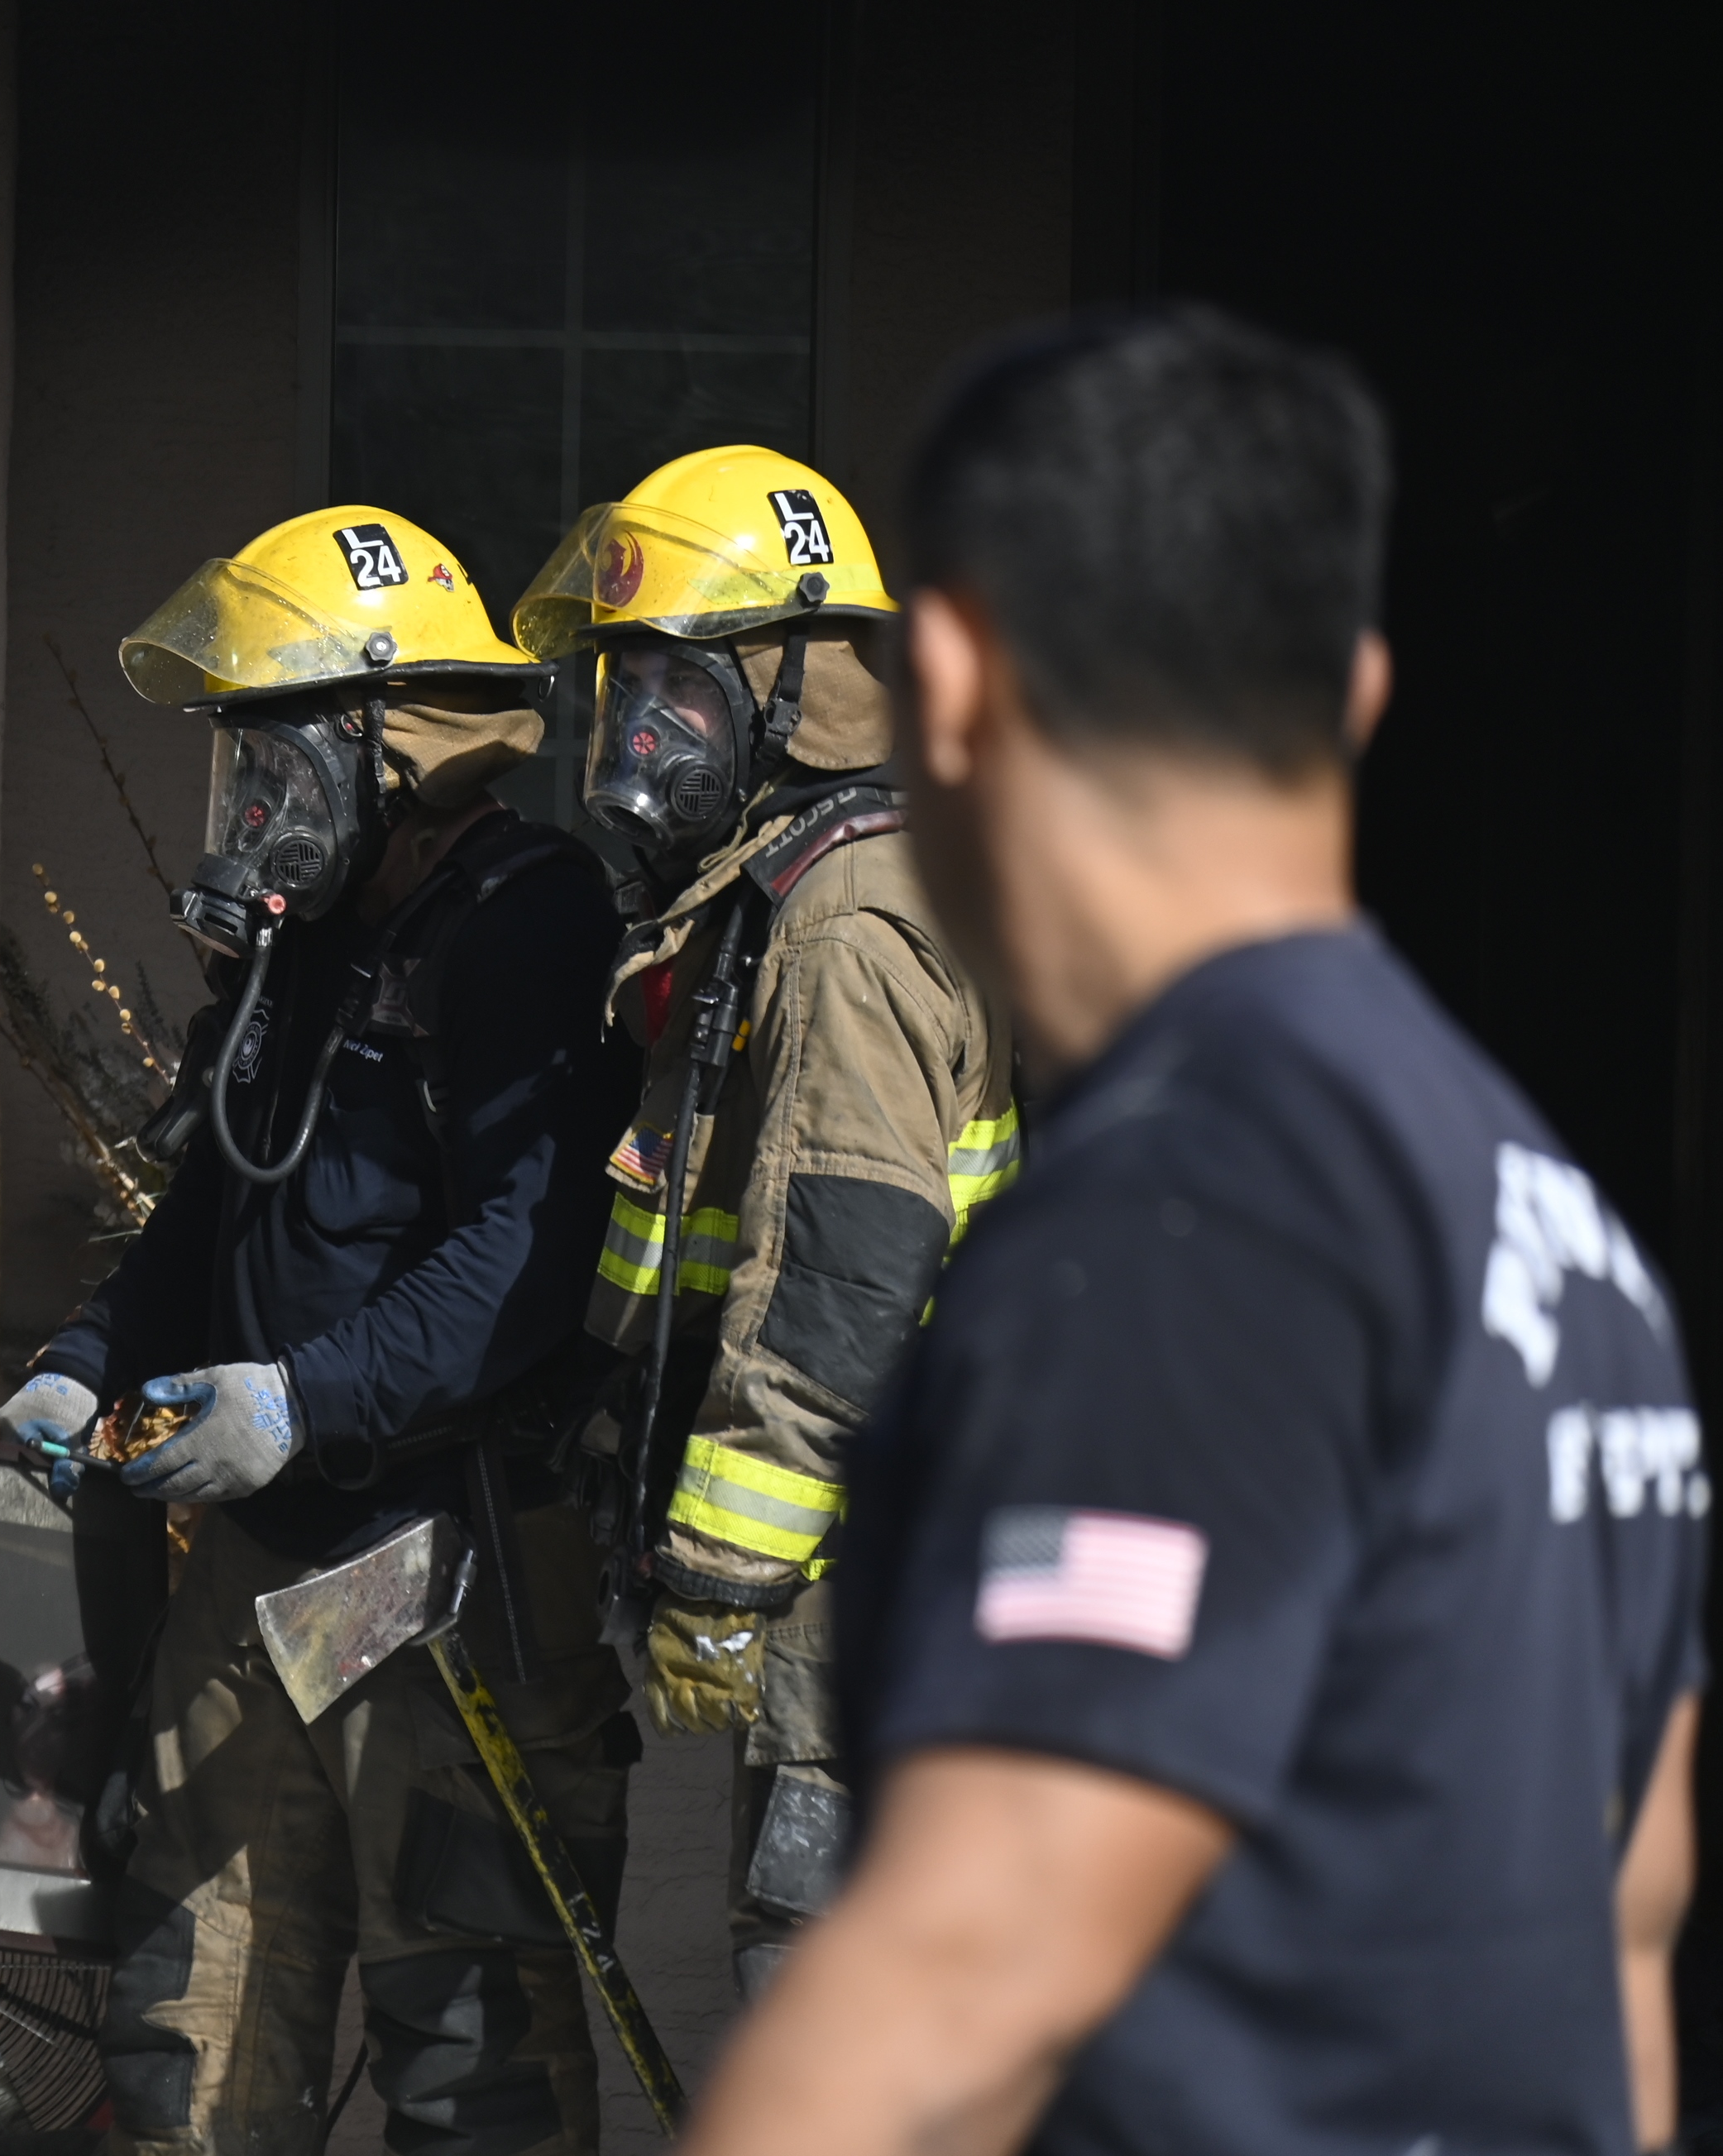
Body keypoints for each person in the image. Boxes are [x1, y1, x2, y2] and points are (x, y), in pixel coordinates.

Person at [693, 308, 1704, 2154]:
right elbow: (1627, 1933)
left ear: (953, 685)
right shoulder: (1568, 1240)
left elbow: (969, 1973)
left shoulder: (1186, 1225)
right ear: (1359, 693)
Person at [0, 507, 639, 2156]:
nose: (251, 804)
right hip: (258, 1556)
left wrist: (302, 1398)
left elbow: (523, 1254)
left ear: (386, 744)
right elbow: (220, 1201)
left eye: (275, 760)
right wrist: (86, 1357)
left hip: (441, 1556)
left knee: (466, 2045)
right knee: (189, 2007)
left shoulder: (530, 921)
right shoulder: (314, 937)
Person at [506, 448, 1018, 1994]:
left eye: (677, 691)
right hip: (861, 1543)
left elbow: (842, 1283)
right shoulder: (780, 888)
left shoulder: (844, 923)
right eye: (624, 692)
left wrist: (724, 1577)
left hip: (873, 1560)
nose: (633, 740)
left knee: (826, 1998)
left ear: (794, 686)